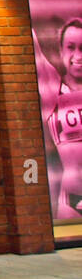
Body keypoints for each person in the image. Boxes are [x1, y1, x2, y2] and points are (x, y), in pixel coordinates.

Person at [47, 18, 82, 219]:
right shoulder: (54, 88)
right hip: (72, 201)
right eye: (70, 47)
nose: (77, 55)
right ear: (60, 51)